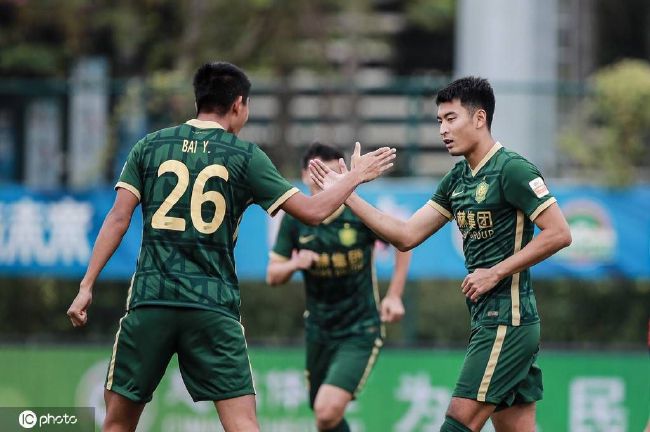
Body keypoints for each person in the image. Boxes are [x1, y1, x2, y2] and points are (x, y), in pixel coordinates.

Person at [66, 61, 396, 432]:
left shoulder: (150, 146)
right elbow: (314, 211)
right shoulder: (244, 156)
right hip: (211, 305)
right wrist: (355, 176)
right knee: (242, 426)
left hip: (151, 299)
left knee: (117, 424)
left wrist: (86, 286)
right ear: (239, 104)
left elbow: (118, 219)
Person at [309, 76, 572, 432]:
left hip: (506, 322)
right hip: (488, 320)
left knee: (458, 421)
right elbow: (405, 235)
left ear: (479, 119)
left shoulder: (512, 169)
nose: (443, 130)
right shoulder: (457, 179)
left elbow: (559, 233)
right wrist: (348, 191)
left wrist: (495, 272)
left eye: (451, 118)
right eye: (439, 121)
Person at [266, 142, 411, 432]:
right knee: (324, 418)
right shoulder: (296, 220)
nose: (325, 180)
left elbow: (403, 242)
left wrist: (394, 295)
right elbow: (273, 275)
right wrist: (295, 264)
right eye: (318, 173)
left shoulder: (356, 213)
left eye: (332, 174)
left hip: (360, 328)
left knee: (326, 409)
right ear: (305, 176)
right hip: (319, 329)